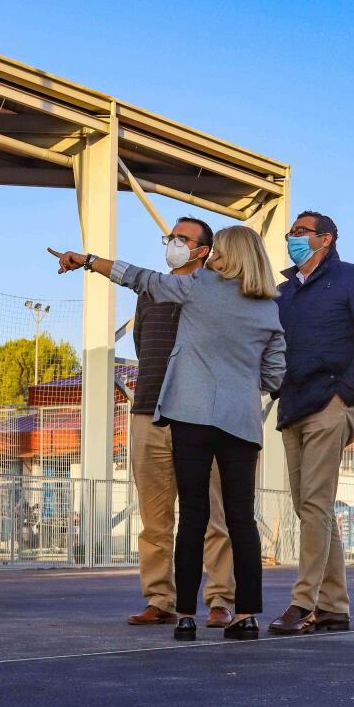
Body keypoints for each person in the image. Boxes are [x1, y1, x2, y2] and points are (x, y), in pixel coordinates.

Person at [47, 225, 284, 641]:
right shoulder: (268, 308)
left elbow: (137, 276)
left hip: (189, 416)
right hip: (241, 424)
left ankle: (187, 615)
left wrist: (87, 260)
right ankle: (245, 614)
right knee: (239, 519)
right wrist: (237, 383)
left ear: (221, 254)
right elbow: (274, 375)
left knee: (192, 517)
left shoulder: (197, 287)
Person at [267, 211, 354, 635]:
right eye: (292, 232)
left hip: (330, 404)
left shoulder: (352, 280)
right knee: (313, 508)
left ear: (326, 239)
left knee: (315, 505)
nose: (293, 238)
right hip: (293, 407)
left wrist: (345, 394)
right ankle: (334, 606)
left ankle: (302, 603)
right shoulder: (283, 294)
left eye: (301, 232)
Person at [126, 217, 236, 629]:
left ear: (204, 250)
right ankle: (160, 598)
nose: (173, 243)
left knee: (211, 514)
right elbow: (143, 345)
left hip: (200, 417)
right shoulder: (150, 290)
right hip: (148, 413)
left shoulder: (218, 291)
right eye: (171, 237)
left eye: (183, 238)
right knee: (154, 518)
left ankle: (221, 599)